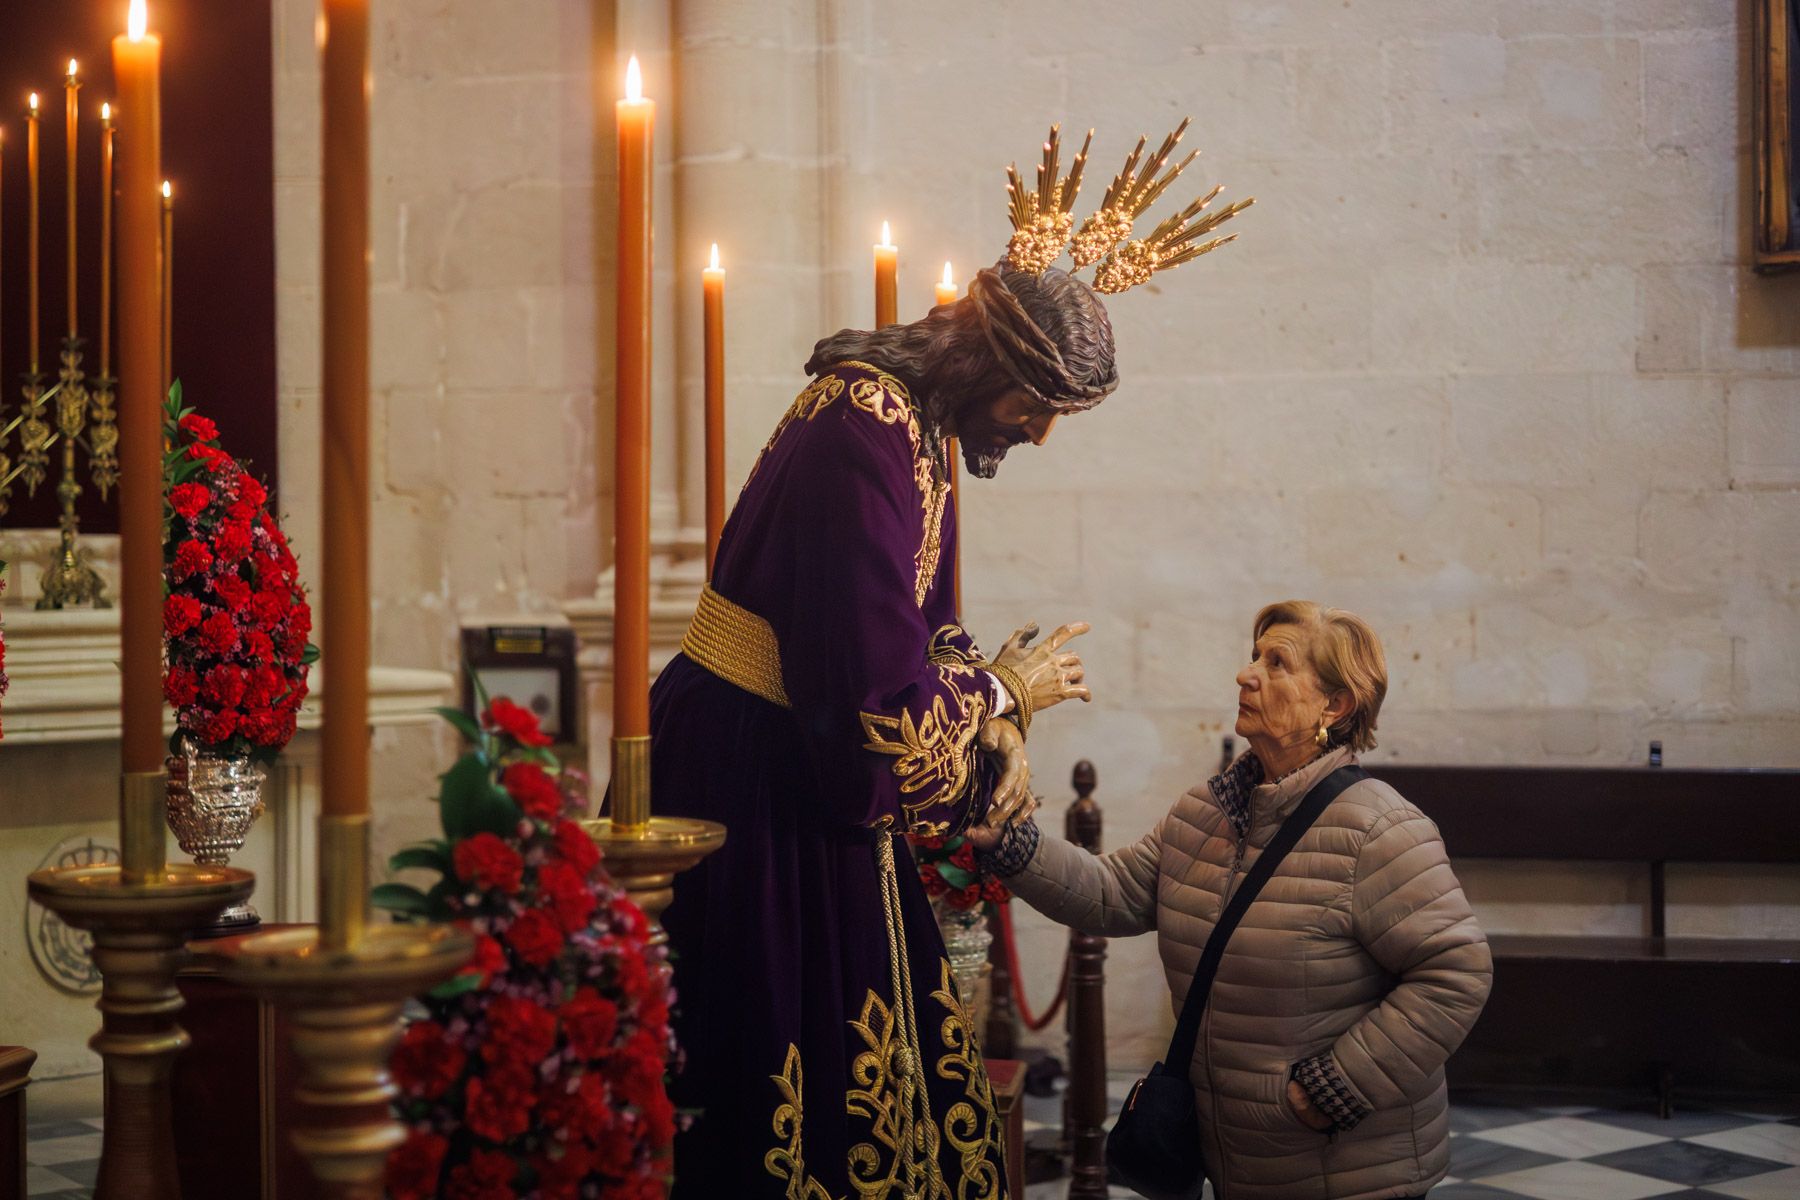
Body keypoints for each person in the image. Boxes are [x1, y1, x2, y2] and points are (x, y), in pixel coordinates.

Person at [644, 124, 1252, 1197]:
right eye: (1036, 407)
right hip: (761, 773)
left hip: (803, 757)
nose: (1037, 434)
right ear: (985, 362)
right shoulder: (860, 430)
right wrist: (1004, 694)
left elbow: (925, 630)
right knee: (797, 1075)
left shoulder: (917, 429)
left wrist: (999, 724)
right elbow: (871, 704)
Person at [971, 601, 1492, 1200]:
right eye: (1253, 658)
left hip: (1345, 1168)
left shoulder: (1379, 830)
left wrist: (1329, 1090)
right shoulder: (1206, 813)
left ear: (1335, 704)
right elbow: (1111, 894)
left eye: (1278, 664)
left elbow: (1456, 973)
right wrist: (1012, 845)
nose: (1247, 676)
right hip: (1236, 1160)